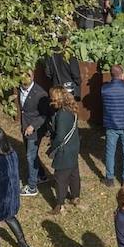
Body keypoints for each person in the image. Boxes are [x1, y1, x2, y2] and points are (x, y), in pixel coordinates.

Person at [46, 86, 82, 214]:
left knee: (60, 178)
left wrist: (52, 147)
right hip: (73, 147)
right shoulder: (71, 109)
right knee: (74, 174)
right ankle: (75, 197)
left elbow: (60, 136)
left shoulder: (62, 114)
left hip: (64, 150)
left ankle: (60, 205)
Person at [100, 65, 124, 187]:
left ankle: (109, 178)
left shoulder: (104, 89)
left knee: (110, 152)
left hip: (111, 124)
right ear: (122, 74)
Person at [17, 74, 51, 197]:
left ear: (32, 77)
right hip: (25, 127)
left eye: (28, 75)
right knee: (31, 153)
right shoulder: (18, 88)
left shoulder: (40, 93)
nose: (25, 78)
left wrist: (33, 126)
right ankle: (41, 175)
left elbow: (44, 115)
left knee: (30, 156)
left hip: (35, 130)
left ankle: (32, 187)